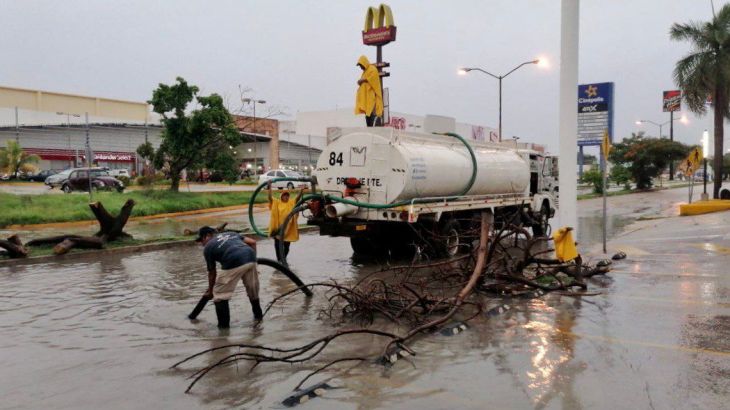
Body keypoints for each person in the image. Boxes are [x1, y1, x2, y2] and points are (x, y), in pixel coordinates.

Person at [196, 226, 262, 328]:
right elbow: (252, 242)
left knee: (219, 294)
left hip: (232, 260)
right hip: (250, 256)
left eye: (201, 241)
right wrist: (254, 263)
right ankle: (259, 318)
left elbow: (212, 273)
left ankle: (223, 330)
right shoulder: (231, 234)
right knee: (252, 290)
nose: (202, 244)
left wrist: (210, 291)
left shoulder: (208, 247)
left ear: (206, 236)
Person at [267, 181, 304, 261]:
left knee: (286, 247)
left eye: (287, 195)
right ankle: (279, 260)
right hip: (278, 229)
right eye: (284, 195)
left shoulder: (291, 203)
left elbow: (297, 198)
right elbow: (270, 198)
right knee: (277, 246)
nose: (286, 197)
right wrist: (269, 187)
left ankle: (283, 259)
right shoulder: (277, 202)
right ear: (281, 196)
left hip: (288, 230)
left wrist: (301, 190)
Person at [355, 55, 384, 127]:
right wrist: (360, 82)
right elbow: (363, 81)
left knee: (371, 115)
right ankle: (369, 127)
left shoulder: (372, 69)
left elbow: (372, 80)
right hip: (366, 98)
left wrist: (363, 80)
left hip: (371, 97)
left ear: (364, 63)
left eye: (361, 65)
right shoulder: (365, 72)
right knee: (367, 117)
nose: (361, 67)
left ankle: (372, 127)